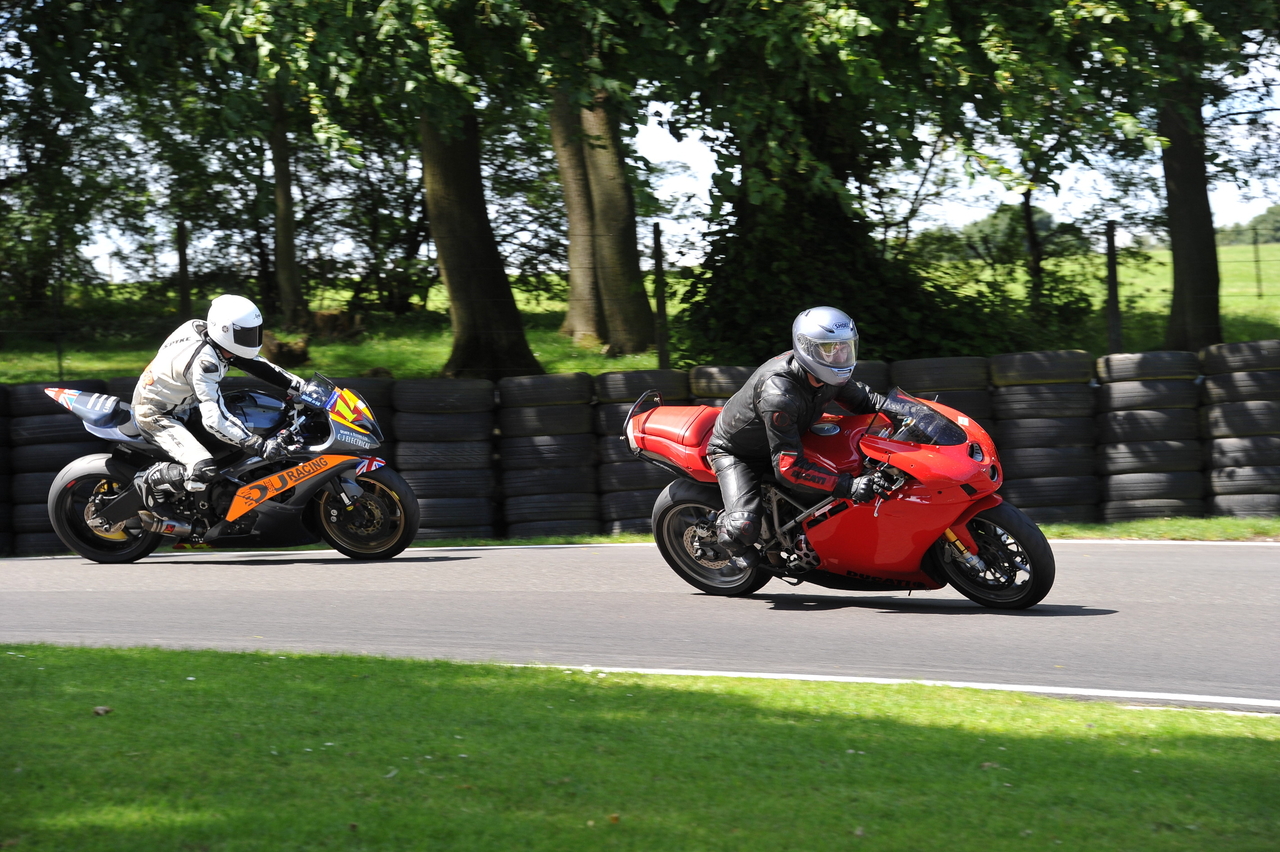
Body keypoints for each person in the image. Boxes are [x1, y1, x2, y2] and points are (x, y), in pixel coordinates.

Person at [705, 306, 901, 572]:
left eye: (845, 347)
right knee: (743, 527)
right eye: (830, 348)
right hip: (741, 452)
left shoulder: (829, 375)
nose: (840, 355)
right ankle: (725, 535)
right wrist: (849, 486)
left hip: (791, 435)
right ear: (807, 348)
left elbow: (867, 402)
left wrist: (912, 413)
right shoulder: (779, 395)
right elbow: (788, 468)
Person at [132, 294, 304, 510]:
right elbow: (214, 419)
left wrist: (302, 388)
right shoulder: (205, 363)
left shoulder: (204, 330)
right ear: (224, 330)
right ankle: (149, 479)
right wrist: (256, 444)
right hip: (156, 414)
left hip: (184, 402)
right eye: (246, 334)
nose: (253, 339)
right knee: (202, 470)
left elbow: (257, 365)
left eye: (255, 332)